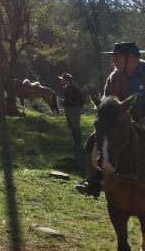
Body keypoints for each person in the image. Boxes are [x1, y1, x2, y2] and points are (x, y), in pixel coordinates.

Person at [76, 42, 145, 197]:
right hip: (118, 121)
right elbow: (106, 100)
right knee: (93, 141)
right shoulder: (114, 76)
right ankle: (92, 180)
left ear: (130, 57)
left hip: (142, 119)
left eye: (116, 57)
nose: (113, 61)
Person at [59, 73, 84, 150]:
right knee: (70, 126)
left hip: (74, 108)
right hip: (68, 108)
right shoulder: (65, 88)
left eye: (62, 79)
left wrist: (77, 106)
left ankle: (78, 144)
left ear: (66, 80)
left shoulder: (74, 88)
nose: (61, 81)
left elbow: (79, 98)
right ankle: (75, 142)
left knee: (75, 126)